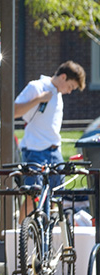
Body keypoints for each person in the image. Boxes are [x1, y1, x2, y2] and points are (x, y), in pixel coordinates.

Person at [14, 61, 86, 218]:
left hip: (54, 151)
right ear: (63, 77)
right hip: (35, 150)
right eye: (70, 87)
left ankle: (48, 236)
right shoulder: (37, 87)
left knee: (55, 195)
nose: (69, 92)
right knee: (32, 196)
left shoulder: (58, 94)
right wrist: (38, 99)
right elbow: (14, 111)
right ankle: (20, 236)